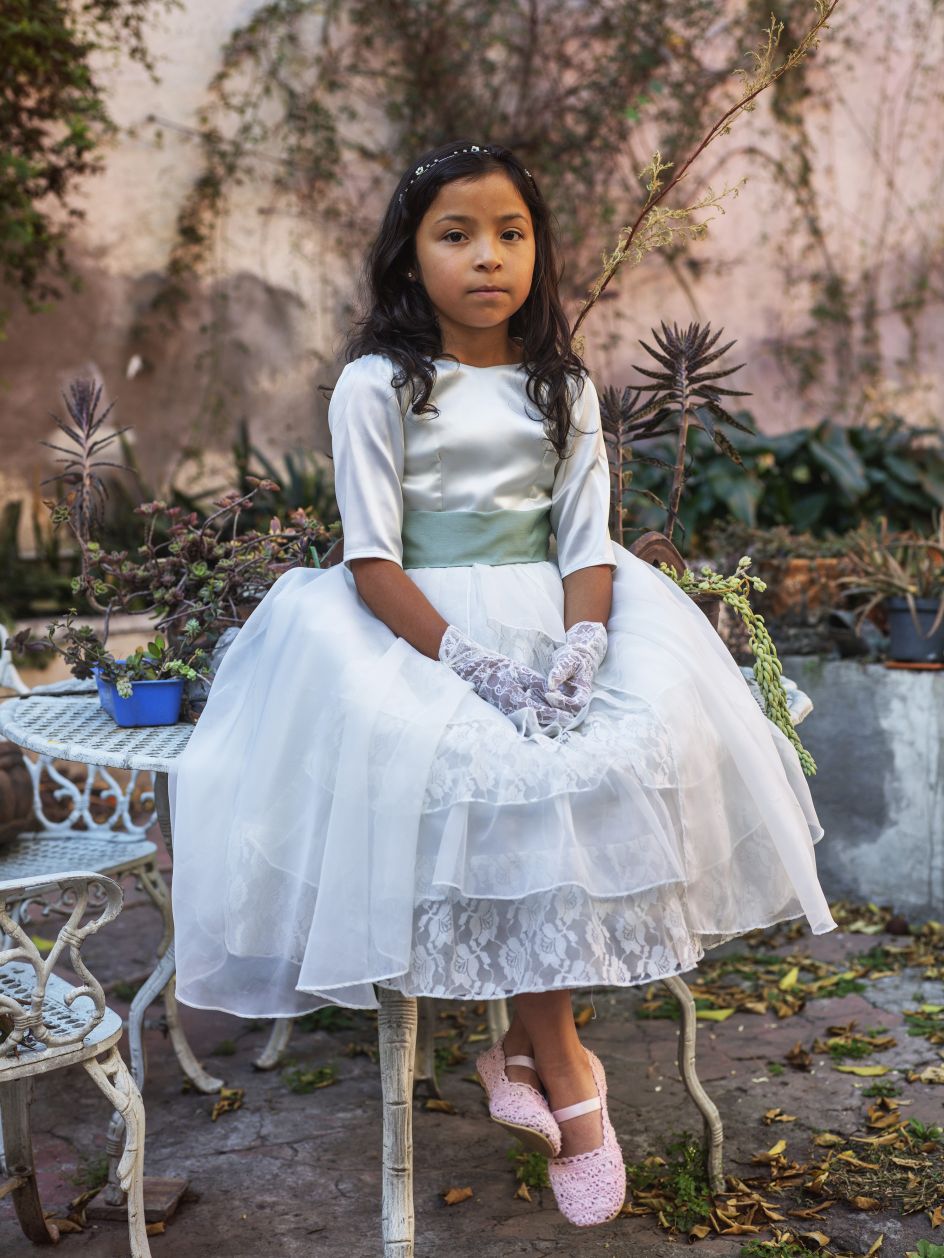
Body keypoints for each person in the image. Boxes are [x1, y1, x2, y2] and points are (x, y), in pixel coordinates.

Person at [168, 139, 836, 1228]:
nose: (488, 256)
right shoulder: (378, 385)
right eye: (456, 234)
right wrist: (469, 661)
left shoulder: (559, 385)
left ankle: (523, 1049)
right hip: (409, 623)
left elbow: (587, 544)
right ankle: (565, 1066)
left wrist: (577, 647)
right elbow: (371, 557)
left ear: (539, 251)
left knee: (606, 762)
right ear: (408, 255)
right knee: (475, 772)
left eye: (510, 234)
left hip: (556, 606)